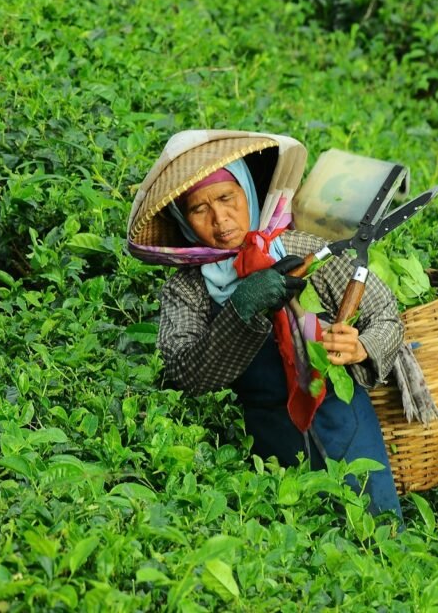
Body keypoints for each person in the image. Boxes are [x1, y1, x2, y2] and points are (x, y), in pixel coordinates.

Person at [140, 139, 404, 520]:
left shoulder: (300, 246)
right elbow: (183, 374)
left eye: (228, 198)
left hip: (345, 423)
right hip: (270, 442)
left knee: (378, 533)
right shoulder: (188, 289)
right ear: (184, 221)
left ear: (248, 191)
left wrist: (361, 346)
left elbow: (384, 313)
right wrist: (241, 308)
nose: (220, 219)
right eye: (200, 208)